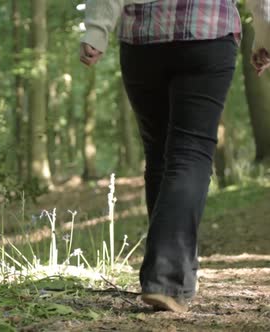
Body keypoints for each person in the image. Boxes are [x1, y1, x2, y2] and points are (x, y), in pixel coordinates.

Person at [80, 0, 245, 313]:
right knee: (190, 153)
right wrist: (264, 31)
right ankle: (166, 279)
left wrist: (96, 31)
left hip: (144, 37)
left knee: (159, 154)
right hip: (207, 30)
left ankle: (170, 278)